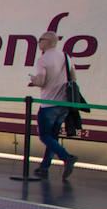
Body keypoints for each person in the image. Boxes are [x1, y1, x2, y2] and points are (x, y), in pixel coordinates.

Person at [27, 31, 78, 179]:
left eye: (40, 40)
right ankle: (44, 167)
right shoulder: (66, 57)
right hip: (64, 103)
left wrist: (33, 80)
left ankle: (67, 157)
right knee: (53, 137)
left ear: (47, 41)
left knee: (44, 136)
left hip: (48, 104)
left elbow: (41, 81)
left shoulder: (43, 60)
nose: (38, 43)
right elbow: (73, 77)